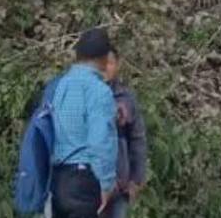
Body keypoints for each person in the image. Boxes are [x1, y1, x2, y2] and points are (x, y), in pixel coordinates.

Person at [48, 28, 120, 218]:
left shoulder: (60, 85)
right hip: (84, 181)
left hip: (58, 179)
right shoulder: (99, 91)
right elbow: (100, 141)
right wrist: (106, 184)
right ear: (104, 59)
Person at [103, 48, 147, 218]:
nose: (105, 68)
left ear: (118, 65)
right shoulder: (83, 96)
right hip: (89, 185)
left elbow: (137, 139)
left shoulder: (126, 97)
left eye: (110, 63)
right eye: (100, 64)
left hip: (120, 185)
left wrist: (137, 178)